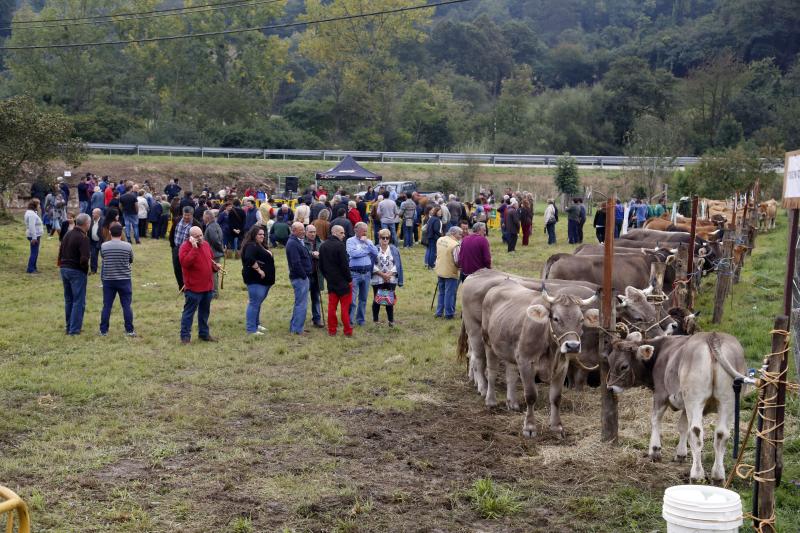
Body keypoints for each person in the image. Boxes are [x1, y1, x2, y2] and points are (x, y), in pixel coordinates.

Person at [179, 226, 218, 344]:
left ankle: (204, 334)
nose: (200, 238)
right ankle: (185, 337)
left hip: (207, 287)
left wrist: (215, 267)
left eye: (201, 235)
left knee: (204, 312)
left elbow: (210, 260)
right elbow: (185, 263)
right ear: (190, 237)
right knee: (189, 313)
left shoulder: (206, 245)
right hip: (193, 288)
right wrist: (194, 248)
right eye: (197, 236)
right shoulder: (185, 247)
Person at [98, 223, 136, 337]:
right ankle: (129, 330)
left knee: (107, 306)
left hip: (108, 279)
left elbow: (103, 258)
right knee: (126, 305)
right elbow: (131, 259)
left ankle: (103, 330)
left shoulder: (104, 246)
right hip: (124, 279)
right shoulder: (128, 246)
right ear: (121, 233)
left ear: (110, 232)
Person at [58, 213, 91, 335]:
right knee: (78, 300)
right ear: (86, 224)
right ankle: (74, 329)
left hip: (64, 268)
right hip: (76, 270)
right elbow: (84, 258)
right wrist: (84, 270)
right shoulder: (83, 238)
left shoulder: (68, 234)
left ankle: (69, 326)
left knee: (69, 299)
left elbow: (60, 250)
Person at [319, 225, 353, 336]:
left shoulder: (323, 246)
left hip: (331, 282)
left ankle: (332, 330)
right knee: (345, 308)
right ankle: (347, 330)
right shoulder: (340, 246)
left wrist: (327, 277)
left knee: (331, 308)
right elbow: (344, 265)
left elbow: (321, 266)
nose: (344, 235)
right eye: (342, 233)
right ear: (335, 233)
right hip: (343, 282)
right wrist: (349, 279)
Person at [241, 225, 275, 335]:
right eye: (259, 234)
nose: (262, 236)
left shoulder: (259, 245)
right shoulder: (251, 245)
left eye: (263, 234)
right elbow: (249, 258)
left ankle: (256, 324)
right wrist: (259, 270)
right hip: (255, 279)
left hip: (264, 281)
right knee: (254, 303)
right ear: (253, 235)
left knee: (258, 303)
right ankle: (251, 329)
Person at [346, 221, 378, 327]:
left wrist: (368, 244)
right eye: (363, 230)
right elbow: (353, 253)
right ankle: (350, 320)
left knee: (363, 298)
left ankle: (361, 319)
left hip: (367, 273)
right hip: (355, 273)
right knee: (353, 299)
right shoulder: (350, 241)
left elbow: (375, 252)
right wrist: (366, 251)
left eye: (366, 231)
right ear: (356, 230)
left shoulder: (368, 241)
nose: (365, 233)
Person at [371, 228, 403, 326]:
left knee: (389, 299)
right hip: (378, 278)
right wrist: (382, 274)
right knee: (377, 299)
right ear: (379, 238)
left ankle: (391, 321)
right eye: (383, 238)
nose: (385, 240)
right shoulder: (374, 249)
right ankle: (376, 321)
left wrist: (389, 274)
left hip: (390, 278)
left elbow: (397, 264)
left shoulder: (394, 249)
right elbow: (371, 264)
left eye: (387, 238)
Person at [286, 222, 313, 334]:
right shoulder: (293, 243)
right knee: (301, 304)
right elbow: (296, 263)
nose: (303, 232)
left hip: (300, 277)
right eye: (301, 230)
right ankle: (297, 329)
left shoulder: (296, 241)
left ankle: (295, 327)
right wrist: (304, 275)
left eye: (303, 229)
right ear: (294, 230)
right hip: (300, 278)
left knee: (300, 303)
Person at [435, 226, 462, 319]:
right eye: (459, 234)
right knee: (449, 294)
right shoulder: (455, 245)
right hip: (450, 271)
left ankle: (439, 312)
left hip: (440, 269)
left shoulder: (440, 240)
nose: (461, 236)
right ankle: (449, 314)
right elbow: (458, 261)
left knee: (441, 292)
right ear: (453, 233)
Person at [170, 206, 197, 290]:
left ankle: (189, 286)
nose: (186, 217)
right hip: (176, 248)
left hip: (187, 251)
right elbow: (172, 233)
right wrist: (173, 246)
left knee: (187, 269)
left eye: (188, 215)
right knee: (177, 268)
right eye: (184, 215)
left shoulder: (196, 224)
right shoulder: (177, 220)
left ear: (192, 215)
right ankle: (181, 287)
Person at [304, 224, 325, 328]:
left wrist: (320, 255)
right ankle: (300, 319)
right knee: (303, 298)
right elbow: (302, 253)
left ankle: (317, 319)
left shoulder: (320, 242)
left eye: (314, 232)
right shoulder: (302, 242)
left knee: (316, 297)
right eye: (310, 232)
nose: (312, 234)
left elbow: (325, 254)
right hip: (306, 274)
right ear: (306, 232)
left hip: (317, 274)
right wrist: (311, 253)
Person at [204, 210, 225, 298]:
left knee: (213, 273)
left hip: (213, 254)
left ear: (207, 217)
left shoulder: (211, 227)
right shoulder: (215, 225)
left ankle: (214, 293)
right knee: (214, 273)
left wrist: (220, 250)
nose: (203, 218)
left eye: (204, 216)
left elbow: (216, 240)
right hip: (215, 253)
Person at [24, 199, 44, 274]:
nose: (39, 206)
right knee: (34, 252)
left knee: (35, 252)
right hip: (34, 236)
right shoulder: (31, 214)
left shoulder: (31, 213)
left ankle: (34, 267)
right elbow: (32, 226)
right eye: (38, 204)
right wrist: (34, 238)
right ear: (35, 205)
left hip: (34, 235)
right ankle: (30, 269)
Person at [88, 208, 104, 274]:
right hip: (93, 242)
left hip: (102, 242)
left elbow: (104, 233)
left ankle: (105, 270)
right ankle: (93, 270)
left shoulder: (103, 221)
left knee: (104, 256)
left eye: (94, 213)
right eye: (92, 213)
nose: (92, 214)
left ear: (98, 214)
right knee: (93, 256)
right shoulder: (91, 221)